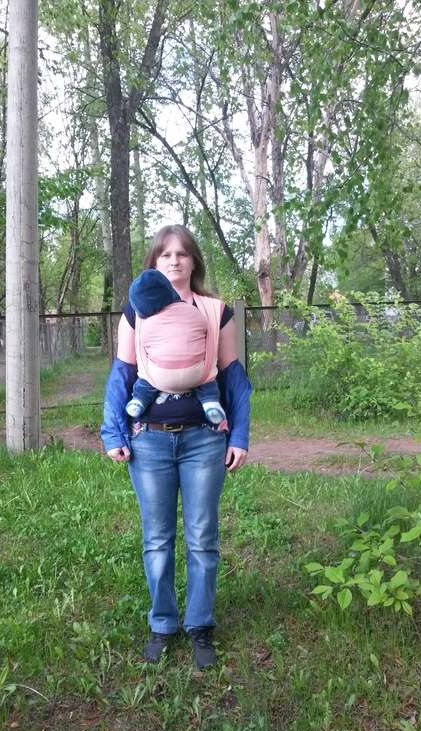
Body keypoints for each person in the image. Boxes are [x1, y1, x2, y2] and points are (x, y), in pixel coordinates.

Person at [101, 224, 252, 670]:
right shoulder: (136, 312)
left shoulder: (215, 311)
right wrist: (113, 432)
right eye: (165, 254)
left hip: (205, 441)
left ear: (194, 261)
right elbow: (122, 374)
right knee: (157, 539)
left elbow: (233, 377)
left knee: (202, 537)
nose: (174, 261)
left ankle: (200, 624)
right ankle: (163, 623)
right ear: (154, 262)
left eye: (182, 253)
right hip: (148, 441)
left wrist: (239, 435)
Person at [125, 268, 226, 425]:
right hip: (196, 374)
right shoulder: (194, 311)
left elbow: (144, 344)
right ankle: (210, 402)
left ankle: (139, 400)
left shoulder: (147, 323)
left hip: (160, 376)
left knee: (145, 378)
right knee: (208, 378)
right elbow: (204, 328)